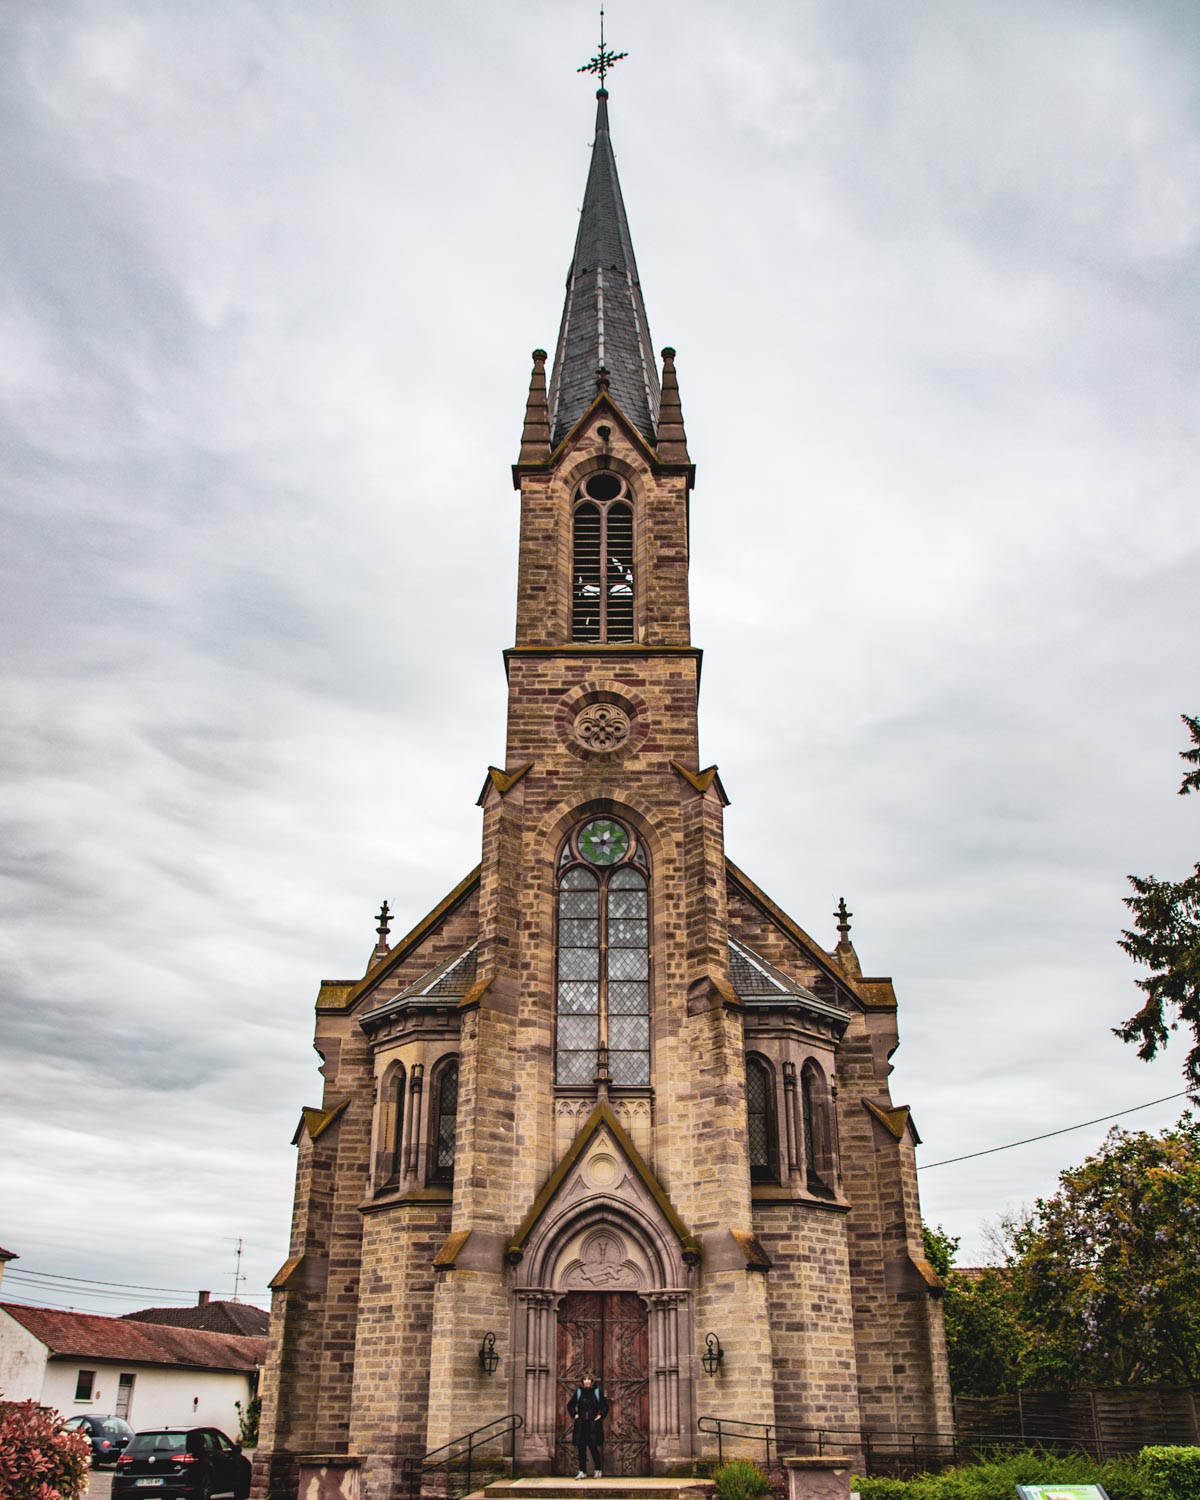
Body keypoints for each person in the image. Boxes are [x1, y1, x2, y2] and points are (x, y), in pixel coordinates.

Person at [567, 1372, 609, 1479]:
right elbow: (570, 1405)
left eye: (588, 1379)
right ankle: (582, 1471)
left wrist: (600, 1416)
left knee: (593, 1447)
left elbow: (604, 1406)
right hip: (581, 1425)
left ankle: (598, 1470)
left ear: (592, 1381)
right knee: (581, 1448)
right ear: (582, 1382)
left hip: (593, 1425)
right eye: (584, 1379)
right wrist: (575, 1414)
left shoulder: (597, 1392)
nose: (586, 1381)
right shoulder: (579, 1392)